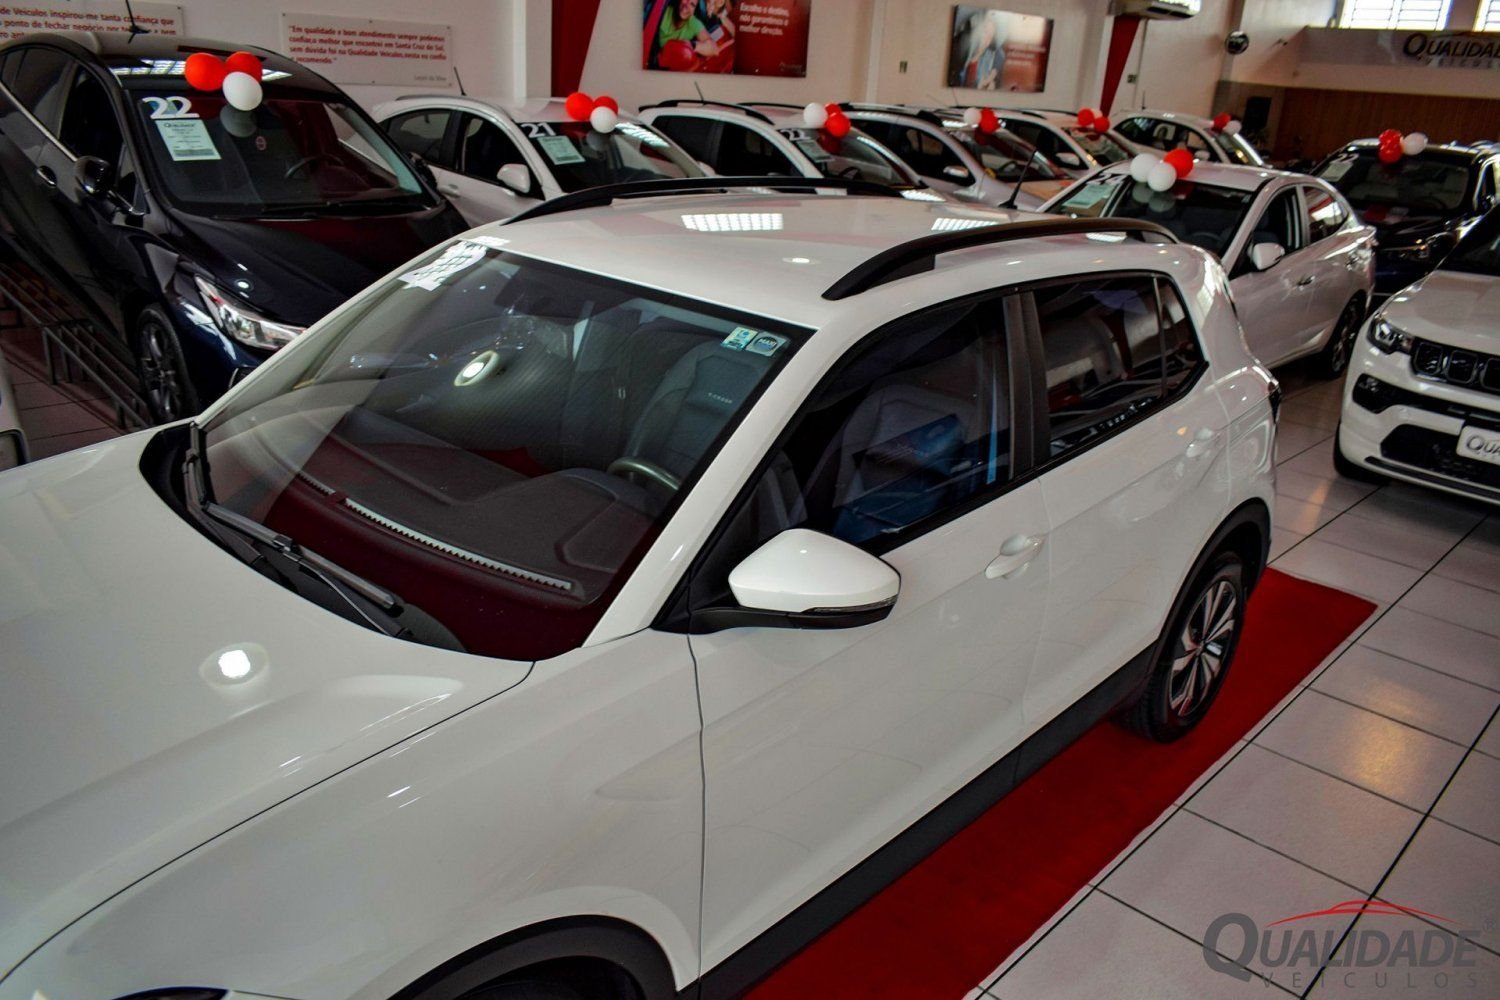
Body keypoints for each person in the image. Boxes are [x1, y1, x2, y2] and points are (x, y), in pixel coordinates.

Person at [961, 11, 1005, 91]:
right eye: (985, 32)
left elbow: (1000, 55)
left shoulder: (991, 56)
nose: (986, 39)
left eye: (990, 36)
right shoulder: (963, 46)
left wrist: (986, 83)